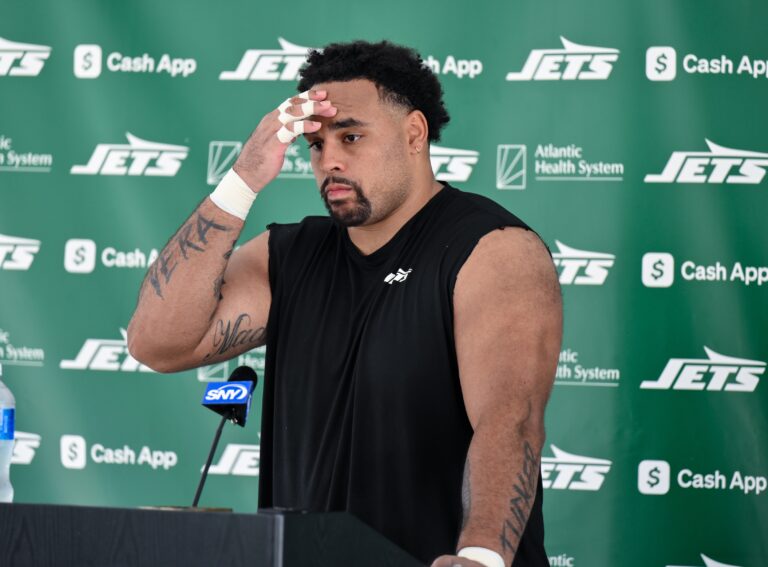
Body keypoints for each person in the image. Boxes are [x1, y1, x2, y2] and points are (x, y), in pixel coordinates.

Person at [127, 40, 562, 567]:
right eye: (315, 144)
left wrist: (481, 556)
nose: (329, 160)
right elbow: (156, 344)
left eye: (351, 136)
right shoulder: (289, 254)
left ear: (414, 134)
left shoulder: (493, 249)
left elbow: (510, 421)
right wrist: (243, 179)